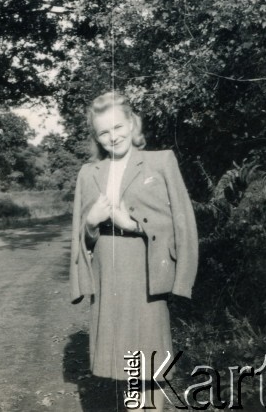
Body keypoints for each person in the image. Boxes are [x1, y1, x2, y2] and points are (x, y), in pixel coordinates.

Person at [69, 91, 199, 411]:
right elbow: (80, 240)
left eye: (118, 127)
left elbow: (181, 222)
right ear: (96, 137)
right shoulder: (89, 174)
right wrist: (91, 222)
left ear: (132, 122)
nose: (113, 136)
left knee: (150, 363)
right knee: (127, 366)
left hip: (145, 276)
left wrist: (133, 225)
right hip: (108, 277)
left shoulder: (161, 160)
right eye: (103, 132)